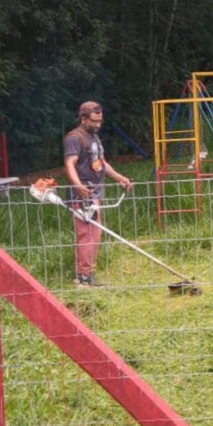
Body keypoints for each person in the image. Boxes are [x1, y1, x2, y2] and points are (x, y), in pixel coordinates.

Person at [63, 101, 133, 287]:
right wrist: (77, 186)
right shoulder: (74, 138)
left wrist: (119, 178)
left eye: (100, 121)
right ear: (84, 118)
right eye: (94, 121)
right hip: (82, 196)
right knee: (86, 235)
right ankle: (84, 278)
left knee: (95, 235)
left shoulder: (94, 137)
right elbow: (69, 164)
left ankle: (87, 274)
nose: (98, 125)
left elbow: (101, 163)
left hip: (95, 195)